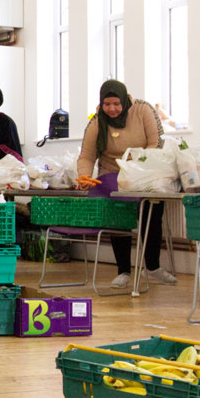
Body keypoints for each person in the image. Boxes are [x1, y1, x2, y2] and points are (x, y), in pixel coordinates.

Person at [77, 79, 176, 287]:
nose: (111, 109)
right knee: (118, 217)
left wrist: (137, 167)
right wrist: (84, 177)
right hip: (112, 175)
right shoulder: (97, 121)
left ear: (124, 101)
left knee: (152, 211)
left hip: (144, 172)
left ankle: (153, 266)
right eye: (107, 104)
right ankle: (123, 271)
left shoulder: (143, 110)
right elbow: (87, 156)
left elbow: (156, 142)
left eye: (116, 104)